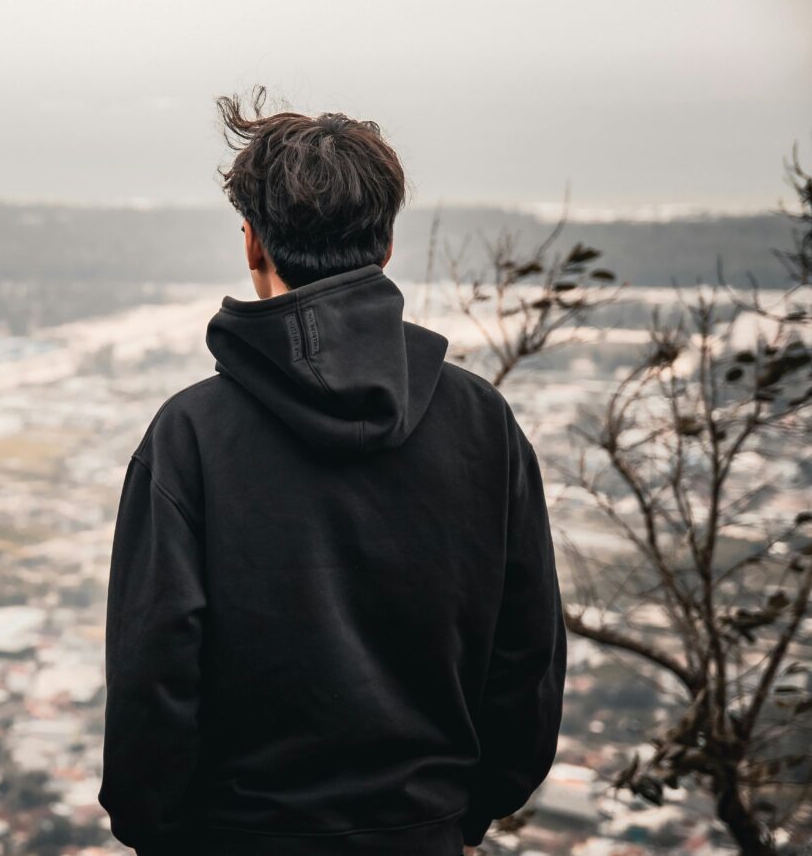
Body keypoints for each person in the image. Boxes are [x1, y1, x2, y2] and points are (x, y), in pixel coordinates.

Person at [98, 86, 567, 856]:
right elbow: (529, 659)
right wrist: (456, 817)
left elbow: (154, 676)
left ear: (253, 245)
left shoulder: (192, 437)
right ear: (386, 247)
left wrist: (166, 833)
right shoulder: (482, 423)